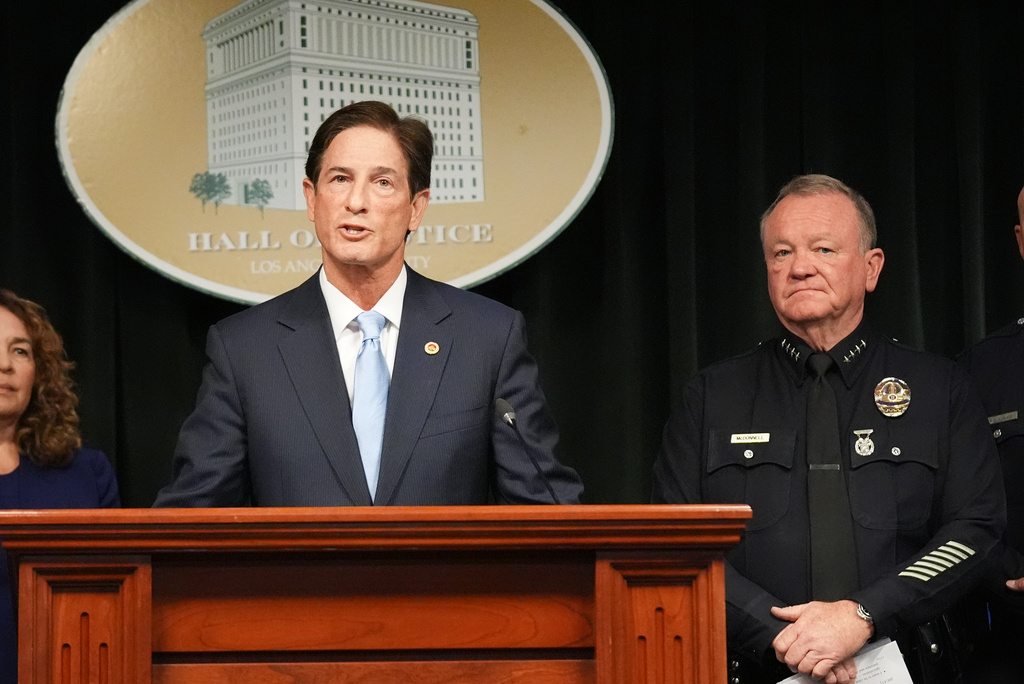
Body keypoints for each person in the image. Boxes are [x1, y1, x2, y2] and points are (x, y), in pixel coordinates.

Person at [651, 174, 1005, 684]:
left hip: (911, 665)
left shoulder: (939, 387)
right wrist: (785, 637)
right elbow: (675, 543)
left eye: (823, 249)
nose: (800, 267)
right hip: (756, 666)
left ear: (871, 267)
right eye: (781, 253)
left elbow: (975, 528)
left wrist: (863, 616)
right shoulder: (710, 397)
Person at [154, 101, 582, 507]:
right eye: (340, 179)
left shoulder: (486, 338)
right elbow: (192, 520)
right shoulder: (244, 350)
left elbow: (545, 508)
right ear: (311, 198)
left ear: (416, 208)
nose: (356, 202)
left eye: (382, 182)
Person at [0, 289, 120, 684]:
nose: (4, 365)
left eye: (20, 351)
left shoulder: (87, 473)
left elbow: (115, 600)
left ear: (39, 371)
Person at [955, 184, 1024, 683]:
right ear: (1021, 240)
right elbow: (955, 505)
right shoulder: (978, 370)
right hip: (1012, 636)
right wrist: (1010, 577)